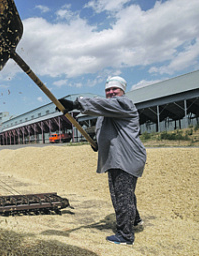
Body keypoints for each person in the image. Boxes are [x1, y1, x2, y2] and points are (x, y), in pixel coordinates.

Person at [58, 76, 146, 245]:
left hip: (126, 157)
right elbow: (105, 130)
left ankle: (125, 236)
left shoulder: (124, 104)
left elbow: (101, 105)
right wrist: (97, 143)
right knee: (126, 193)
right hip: (117, 157)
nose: (111, 92)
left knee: (121, 195)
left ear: (122, 91)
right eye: (108, 90)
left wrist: (76, 104)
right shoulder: (106, 113)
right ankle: (135, 220)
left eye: (115, 89)